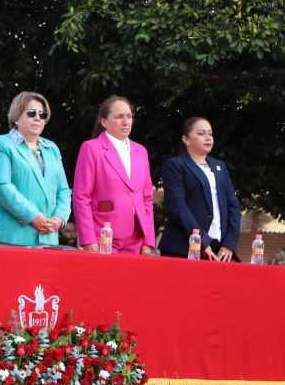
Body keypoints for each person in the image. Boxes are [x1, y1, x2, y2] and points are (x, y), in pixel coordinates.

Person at [0, 92, 71, 246]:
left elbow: (63, 190)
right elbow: (0, 185)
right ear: (16, 117)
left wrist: (59, 218)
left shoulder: (52, 149)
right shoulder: (0, 144)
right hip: (11, 237)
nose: (38, 118)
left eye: (42, 115)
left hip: (48, 237)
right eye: (31, 113)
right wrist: (32, 215)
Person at [72, 95, 155, 254]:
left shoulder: (140, 151)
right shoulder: (91, 148)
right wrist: (88, 239)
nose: (126, 121)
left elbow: (146, 198)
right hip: (103, 234)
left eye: (129, 116)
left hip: (136, 236)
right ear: (103, 122)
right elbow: (81, 196)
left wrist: (149, 239)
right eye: (119, 117)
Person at [159, 117, 241, 261]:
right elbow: (178, 207)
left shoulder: (220, 166)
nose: (208, 137)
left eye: (210, 133)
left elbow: (233, 205)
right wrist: (202, 241)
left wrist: (230, 242)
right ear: (186, 139)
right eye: (201, 133)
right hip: (183, 247)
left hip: (219, 249)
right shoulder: (175, 165)